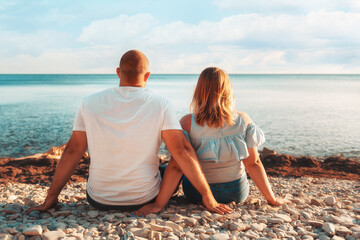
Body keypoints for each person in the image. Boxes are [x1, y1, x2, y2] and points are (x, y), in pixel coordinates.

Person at [26, 51, 232, 214]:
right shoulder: (161, 103)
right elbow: (181, 151)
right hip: (144, 198)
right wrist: (208, 197)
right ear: (147, 76)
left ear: (118, 72)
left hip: (98, 199)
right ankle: (161, 202)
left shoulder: (88, 103)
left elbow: (73, 151)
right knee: (170, 160)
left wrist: (50, 199)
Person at [135, 67, 287, 215]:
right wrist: (271, 199)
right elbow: (253, 163)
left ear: (199, 92)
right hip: (236, 193)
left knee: (168, 166)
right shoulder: (243, 120)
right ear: (227, 91)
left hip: (196, 193)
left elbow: (177, 167)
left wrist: (158, 204)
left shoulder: (188, 122)